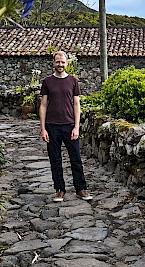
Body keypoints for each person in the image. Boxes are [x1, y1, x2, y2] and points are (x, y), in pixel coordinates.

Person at [40, 51, 92, 202]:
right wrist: (43, 128)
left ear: (67, 63)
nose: (60, 65)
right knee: (55, 159)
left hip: (70, 126)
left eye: (62, 62)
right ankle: (59, 190)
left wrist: (77, 127)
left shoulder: (73, 81)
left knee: (75, 158)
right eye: (57, 62)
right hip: (52, 126)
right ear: (53, 63)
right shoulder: (47, 82)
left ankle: (80, 189)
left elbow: (77, 105)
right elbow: (43, 105)